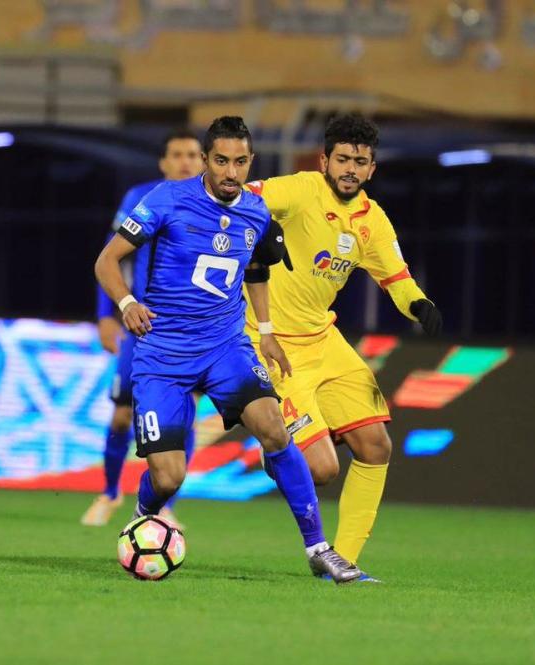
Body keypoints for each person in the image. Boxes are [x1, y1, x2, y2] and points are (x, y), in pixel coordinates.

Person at [95, 116, 361, 583]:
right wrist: (126, 301)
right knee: (169, 477)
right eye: (221, 161)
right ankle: (142, 513)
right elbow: (107, 260)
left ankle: (319, 549)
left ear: (250, 162)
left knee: (275, 430)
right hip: (163, 353)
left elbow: (257, 271)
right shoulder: (166, 200)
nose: (230, 172)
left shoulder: (257, 212)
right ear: (206, 159)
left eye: (240, 162)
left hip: (225, 346)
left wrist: (267, 329)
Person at [245, 114, 443, 578]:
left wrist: (419, 305)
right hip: (272, 343)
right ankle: (274, 447)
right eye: (343, 159)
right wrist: (255, 226)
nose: (351, 168)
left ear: (372, 169)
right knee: (322, 470)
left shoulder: (372, 221)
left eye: (361, 161)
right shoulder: (300, 189)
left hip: (324, 340)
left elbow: (396, 277)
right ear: (325, 161)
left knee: (376, 446)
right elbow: (247, 197)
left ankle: (345, 562)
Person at [82, 128, 203, 527]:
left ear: (203, 161)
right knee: (121, 415)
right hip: (142, 325)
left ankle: (165, 503)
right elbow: (110, 256)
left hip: (191, 331)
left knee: (183, 416)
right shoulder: (141, 198)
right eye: (177, 154)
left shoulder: (215, 205)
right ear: (163, 162)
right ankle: (110, 493)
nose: (185, 161)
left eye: (192, 154)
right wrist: (106, 314)